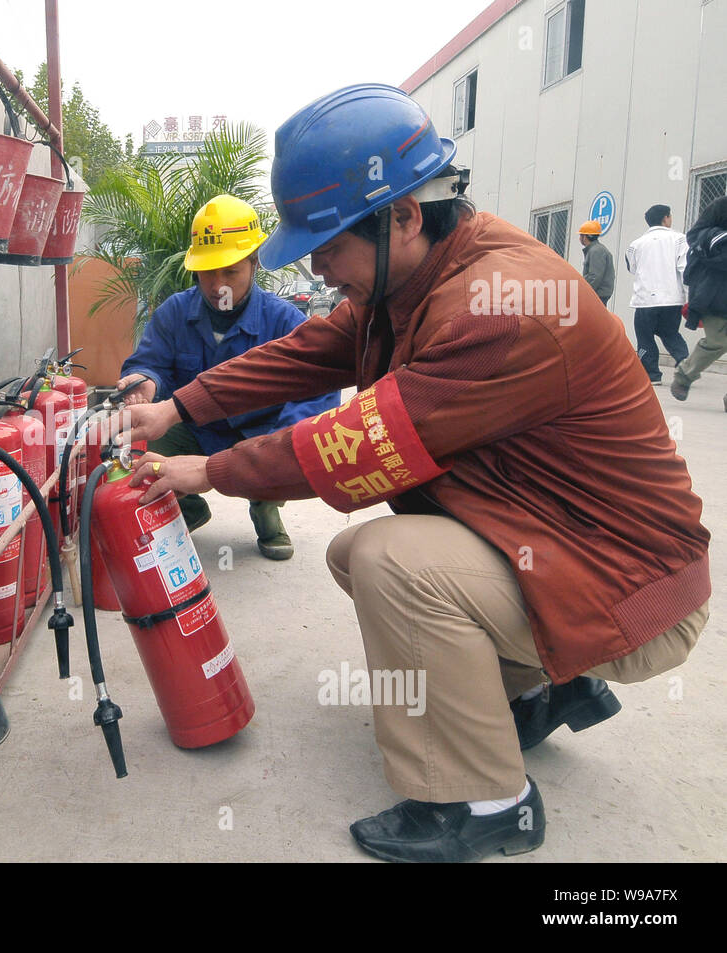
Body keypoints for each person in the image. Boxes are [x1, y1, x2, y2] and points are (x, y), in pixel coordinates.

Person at [114, 84, 709, 863]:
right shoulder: (419, 274)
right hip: (565, 547)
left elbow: (356, 443)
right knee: (353, 554)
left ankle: (487, 800)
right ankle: (542, 688)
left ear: (401, 216)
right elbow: (309, 351)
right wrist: (178, 405)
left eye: (328, 245)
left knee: (394, 563)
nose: (321, 269)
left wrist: (207, 469)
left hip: (632, 585)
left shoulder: (494, 307)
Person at [114, 193, 339, 561]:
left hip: (258, 431)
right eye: (207, 272)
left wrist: (280, 448)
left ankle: (265, 508)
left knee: (287, 445)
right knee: (144, 445)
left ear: (254, 264)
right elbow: (149, 361)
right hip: (195, 428)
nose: (218, 284)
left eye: (230, 271)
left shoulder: (285, 322)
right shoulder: (174, 312)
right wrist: (145, 380)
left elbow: (313, 400)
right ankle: (184, 508)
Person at [670, 196, 727, 407]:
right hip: (713, 290)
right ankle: (684, 375)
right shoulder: (720, 207)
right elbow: (694, 236)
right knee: (718, 341)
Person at [625, 204, 689, 384]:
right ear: (666, 218)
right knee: (670, 333)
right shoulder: (680, 239)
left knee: (644, 337)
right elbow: (685, 269)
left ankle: (652, 375)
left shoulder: (635, 244)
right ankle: (684, 361)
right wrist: (688, 296)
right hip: (671, 299)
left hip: (645, 300)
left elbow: (632, 268)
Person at [577, 220, 615, 307]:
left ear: (585, 237)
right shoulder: (595, 249)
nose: (579, 238)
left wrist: (584, 293)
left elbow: (594, 276)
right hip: (598, 295)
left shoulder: (596, 251)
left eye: (581, 235)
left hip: (597, 295)